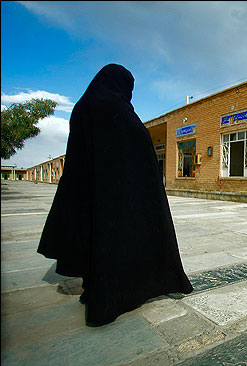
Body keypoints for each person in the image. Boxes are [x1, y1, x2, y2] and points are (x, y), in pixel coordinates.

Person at [37, 64, 193, 327]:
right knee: (117, 246)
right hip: (118, 197)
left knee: (94, 242)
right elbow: (136, 149)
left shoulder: (82, 107)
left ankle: (96, 287)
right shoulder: (115, 109)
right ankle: (116, 297)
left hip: (86, 192)